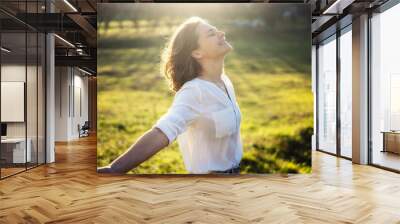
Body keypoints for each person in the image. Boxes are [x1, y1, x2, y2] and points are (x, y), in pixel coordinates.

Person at [97, 17, 242, 174]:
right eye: (211, 33)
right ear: (196, 52)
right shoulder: (194, 91)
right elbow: (163, 132)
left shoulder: (225, 82)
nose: (221, 33)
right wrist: (114, 169)